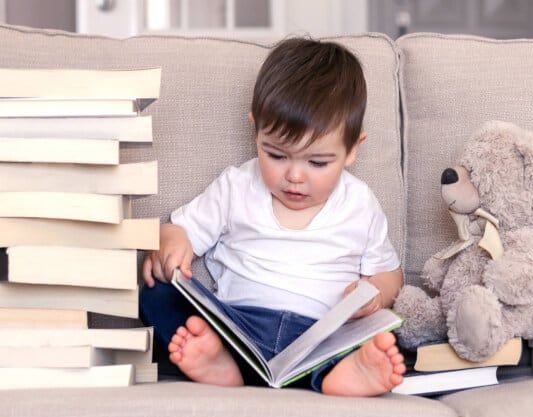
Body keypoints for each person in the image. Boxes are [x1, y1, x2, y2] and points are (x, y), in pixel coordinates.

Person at [139, 37, 405, 397]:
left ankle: (336, 375)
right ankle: (224, 363)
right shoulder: (235, 186)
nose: (295, 176)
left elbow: (388, 273)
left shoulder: (360, 203)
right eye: (277, 155)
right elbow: (181, 229)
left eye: (317, 162)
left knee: (375, 335)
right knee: (155, 293)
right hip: (238, 326)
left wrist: (374, 294)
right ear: (256, 131)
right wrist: (171, 242)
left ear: (352, 149)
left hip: (318, 335)